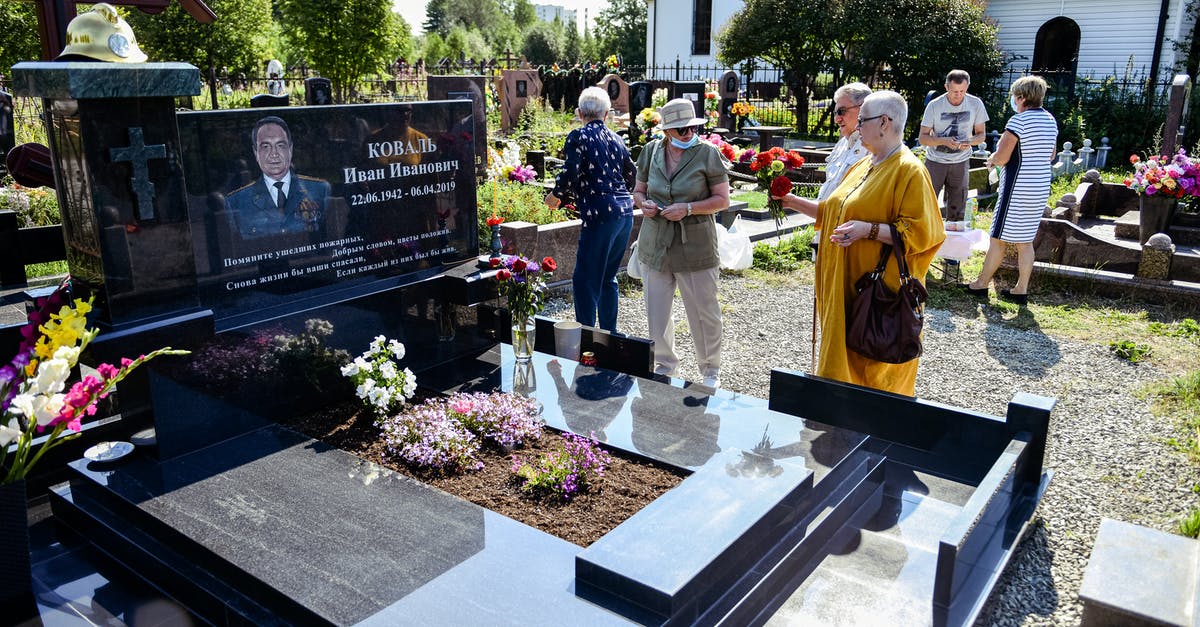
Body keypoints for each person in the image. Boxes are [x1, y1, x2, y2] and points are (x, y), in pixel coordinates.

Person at [772, 91, 945, 396]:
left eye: (862, 120)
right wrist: (793, 201)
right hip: (844, 287)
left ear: (884, 122)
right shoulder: (863, 165)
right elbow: (834, 212)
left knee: (871, 369)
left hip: (877, 297)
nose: (856, 126)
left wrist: (869, 230)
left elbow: (923, 234)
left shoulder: (909, 170)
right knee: (841, 361)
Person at [631, 98, 730, 388]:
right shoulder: (650, 151)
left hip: (695, 244)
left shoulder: (707, 153)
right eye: (680, 129)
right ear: (666, 131)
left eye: (691, 127)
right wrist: (644, 204)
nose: (688, 133)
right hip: (656, 242)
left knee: (703, 311)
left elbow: (722, 200)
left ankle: (710, 370)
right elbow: (638, 190)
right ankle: (664, 364)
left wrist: (688, 208)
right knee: (657, 310)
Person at [545, 86, 636, 332]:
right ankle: (610, 336)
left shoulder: (578, 136)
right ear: (606, 114)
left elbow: (571, 171)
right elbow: (631, 175)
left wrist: (556, 195)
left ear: (578, 113)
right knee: (608, 277)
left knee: (584, 280)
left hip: (600, 215)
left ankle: (585, 340)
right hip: (625, 214)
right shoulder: (617, 139)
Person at [963, 76, 1057, 306]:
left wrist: (993, 159)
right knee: (1025, 242)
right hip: (1041, 184)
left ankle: (981, 283)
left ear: (1022, 98)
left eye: (1015, 96)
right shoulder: (1050, 120)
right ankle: (1021, 289)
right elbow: (1052, 154)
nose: (1014, 100)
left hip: (1018, 185)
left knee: (998, 238)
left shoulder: (1019, 121)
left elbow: (1003, 156)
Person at [226, 116, 329, 239]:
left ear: (290, 149)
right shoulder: (237, 201)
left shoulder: (320, 190)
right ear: (255, 153)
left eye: (280, 145)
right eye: (265, 147)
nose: (274, 154)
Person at [919, 70, 989, 222]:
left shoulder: (975, 103)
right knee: (926, 206)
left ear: (967, 87)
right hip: (935, 161)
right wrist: (944, 141)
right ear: (946, 87)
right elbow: (923, 138)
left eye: (962, 91)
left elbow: (981, 135)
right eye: (954, 91)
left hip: (961, 161)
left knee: (958, 209)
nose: (958, 95)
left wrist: (969, 142)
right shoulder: (934, 105)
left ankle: (954, 240)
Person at [818, 83, 872, 201]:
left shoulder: (874, 148)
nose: (837, 119)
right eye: (836, 112)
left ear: (863, 108)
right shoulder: (842, 144)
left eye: (842, 111)